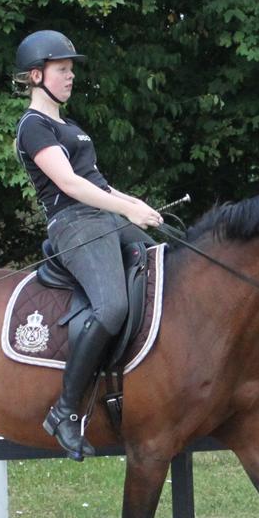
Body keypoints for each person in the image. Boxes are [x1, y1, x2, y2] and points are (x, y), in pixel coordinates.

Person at [13, 29, 163, 461]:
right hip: (74, 224)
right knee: (111, 307)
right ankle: (63, 411)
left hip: (103, 217)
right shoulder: (34, 127)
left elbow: (100, 184)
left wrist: (137, 205)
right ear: (37, 76)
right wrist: (127, 210)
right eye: (62, 69)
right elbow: (70, 185)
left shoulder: (70, 127)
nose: (70, 76)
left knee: (166, 265)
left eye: (71, 70)